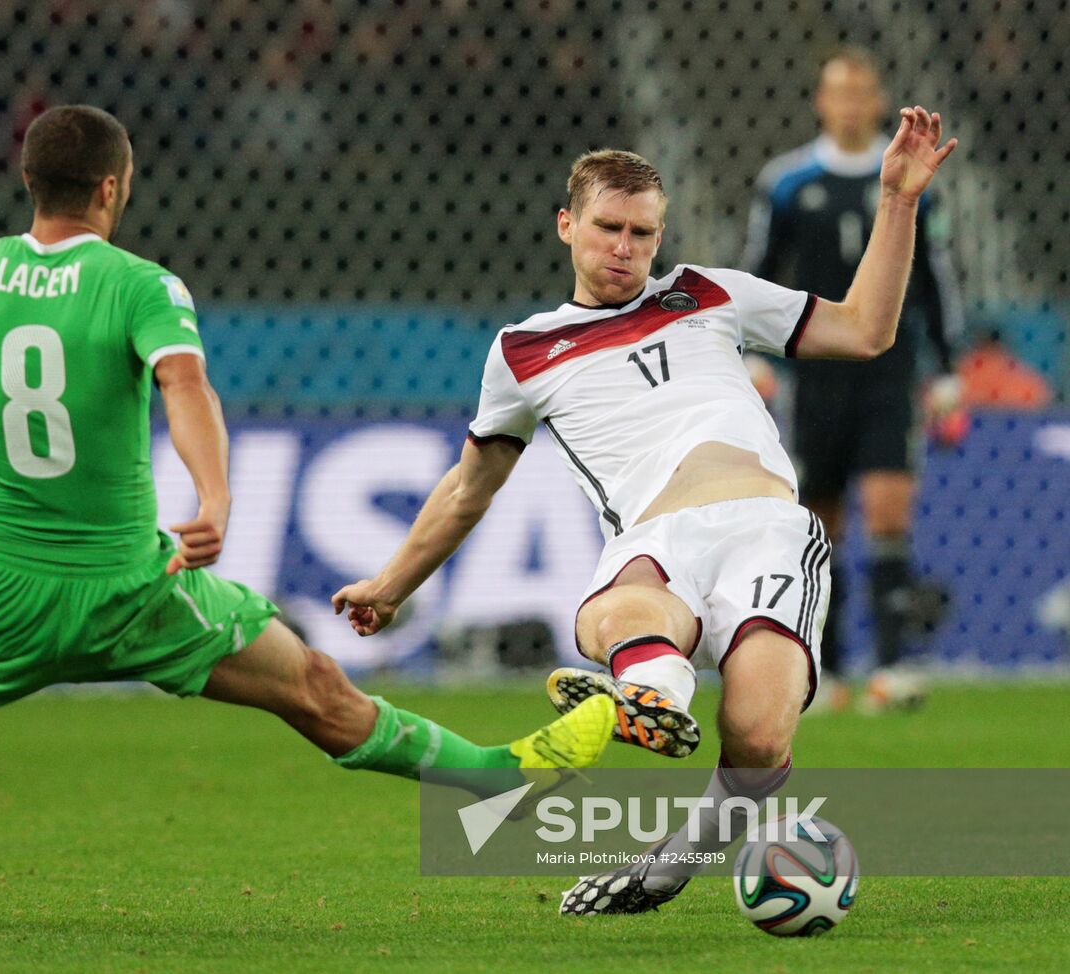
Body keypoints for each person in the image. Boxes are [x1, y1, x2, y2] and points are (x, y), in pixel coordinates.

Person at [0, 69, 615, 961]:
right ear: (112, 187)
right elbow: (184, 385)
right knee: (314, 688)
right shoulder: (141, 286)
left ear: (29, 183)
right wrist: (217, 496)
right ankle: (491, 778)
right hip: (131, 585)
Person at [334, 107, 956, 914]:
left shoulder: (708, 293)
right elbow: (467, 488)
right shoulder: (524, 351)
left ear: (660, 236)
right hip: (653, 541)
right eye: (608, 228)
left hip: (765, 532)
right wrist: (389, 584)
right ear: (567, 224)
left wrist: (898, 202)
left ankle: (667, 854)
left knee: (761, 739)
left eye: (642, 233)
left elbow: (866, 329)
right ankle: (652, 699)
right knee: (619, 610)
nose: (624, 248)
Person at [742, 49, 964, 711]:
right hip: (815, 375)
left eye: (861, 92)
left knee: (891, 509)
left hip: (891, 371)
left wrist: (948, 367)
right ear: (820, 101)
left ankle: (891, 669)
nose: (849, 104)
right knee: (819, 522)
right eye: (838, 91)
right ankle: (828, 671)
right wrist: (755, 353)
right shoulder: (786, 182)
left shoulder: (912, 176)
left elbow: (936, 278)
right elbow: (760, 270)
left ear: (876, 102)